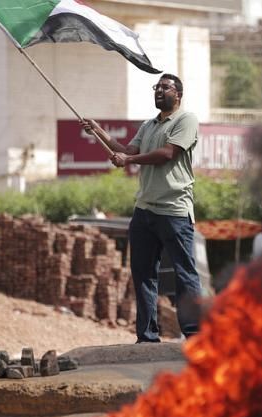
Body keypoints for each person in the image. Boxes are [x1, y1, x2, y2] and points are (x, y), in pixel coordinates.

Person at [81, 74, 201, 343]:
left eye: (165, 87)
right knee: (143, 274)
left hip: (174, 210)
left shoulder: (186, 120)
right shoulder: (148, 126)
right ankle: (147, 336)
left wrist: (129, 158)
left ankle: (194, 334)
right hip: (145, 210)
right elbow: (126, 149)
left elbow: (167, 154)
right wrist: (98, 131)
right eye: (156, 87)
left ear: (178, 94)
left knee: (185, 273)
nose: (159, 91)